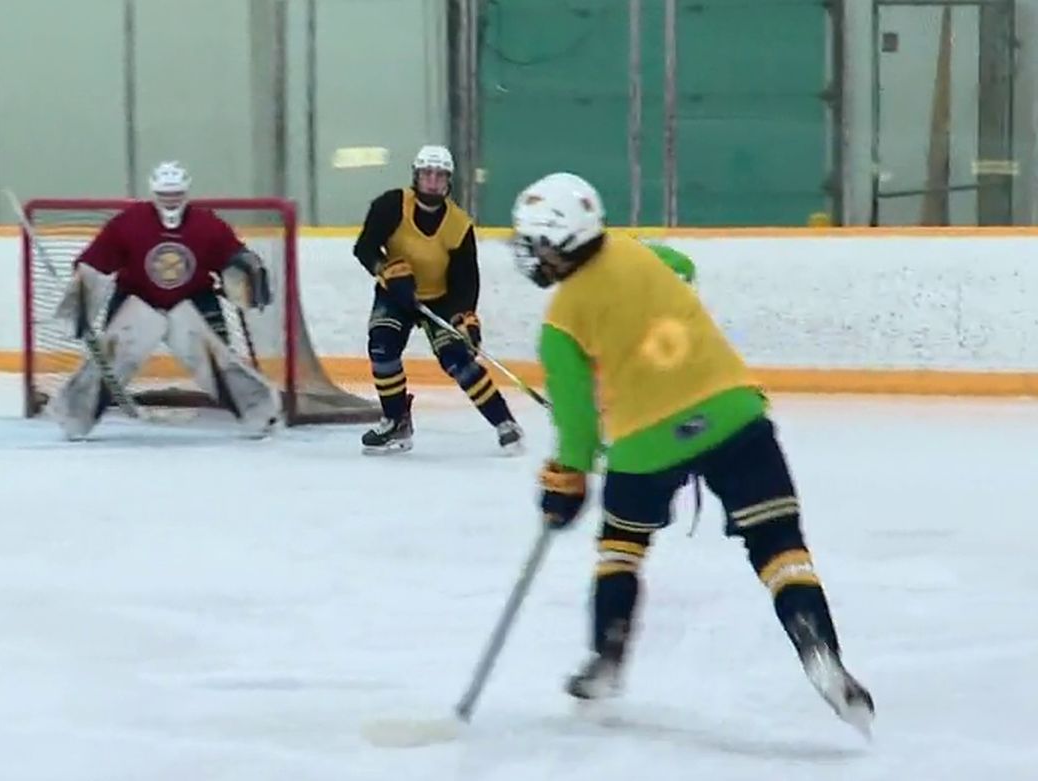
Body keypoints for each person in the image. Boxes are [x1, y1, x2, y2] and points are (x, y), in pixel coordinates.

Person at [511, 172, 874, 736]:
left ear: (563, 242)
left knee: (621, 547)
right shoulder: (639, 253)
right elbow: (683, 266)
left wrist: (565, 482)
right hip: (735, 415)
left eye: (537, 243)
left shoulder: (561, 323)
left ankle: (606, 663)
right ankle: (822, 656)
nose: (532, 256)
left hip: (645, 443)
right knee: (780, 547)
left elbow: (577, 428)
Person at [48, 161, 278, 440]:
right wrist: (81, 293)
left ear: (186, 192)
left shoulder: (208, 224)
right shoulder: (128, 223)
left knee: (219, 359)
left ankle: (259, 412)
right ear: (154, 192)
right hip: (137, 299)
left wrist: (245, 267)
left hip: (194, 299)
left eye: (176, 194)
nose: (171, 201)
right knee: (109, 360)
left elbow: (233, 255)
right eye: (165, 194)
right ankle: (73, 417)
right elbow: (95, 262)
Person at [352, 144, 522, 455]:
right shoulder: (391, 205)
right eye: (426, 174)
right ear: (416, 176)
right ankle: (395, 421)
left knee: (458, 360)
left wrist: (465, 316)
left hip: (441, 300)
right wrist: (386, 269)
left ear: (448, 181)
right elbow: (364, 247)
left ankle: (505, 423)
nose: (432, 181)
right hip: (395, 293)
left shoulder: (458, 225)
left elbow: (466, 279)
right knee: (382, 346)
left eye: (439, 175)